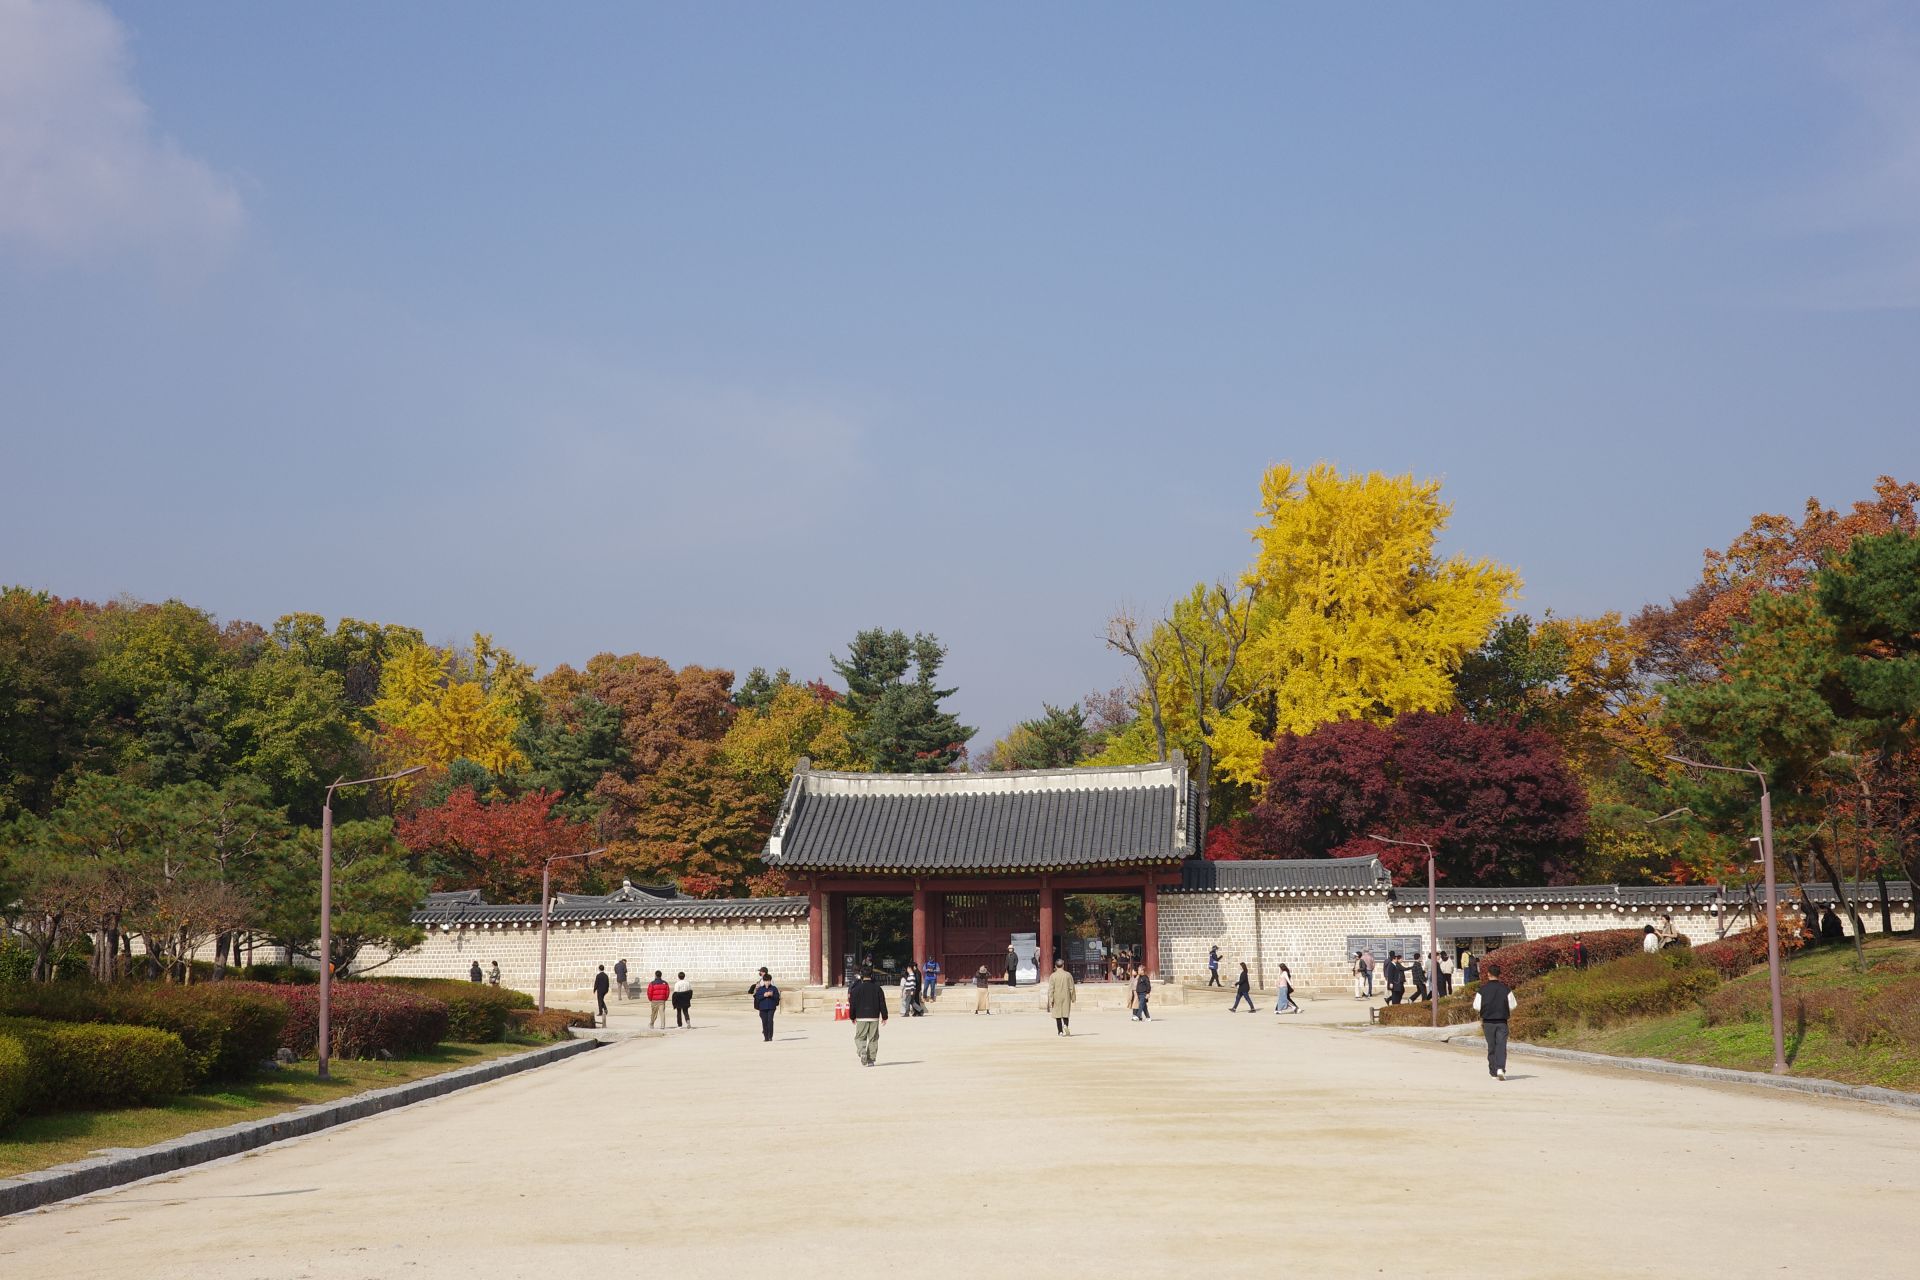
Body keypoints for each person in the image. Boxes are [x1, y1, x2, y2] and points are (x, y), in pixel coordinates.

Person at [1472, 963, 1518, 1081]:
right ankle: (1500, 1068)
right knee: (1501, 1045)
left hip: (1488, 1022)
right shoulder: (1506, 989)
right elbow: (1513, 1005)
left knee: (1491, 1046)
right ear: (1499, 975)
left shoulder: (1482, 990)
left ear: (1488, 974)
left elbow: (1476, 1006)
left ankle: (1493, 1072)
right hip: (1502, 1021)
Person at [846, 968, 889, 1067]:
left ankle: (862, 1051)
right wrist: (884, 1016)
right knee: (873, 1038)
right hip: (874, 1016)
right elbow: (882, 1003)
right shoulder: (878, 988)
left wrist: (852, 1016)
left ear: (861, 976)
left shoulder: (856, 989)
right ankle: (871, 1060)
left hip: (861, 1017)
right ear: (872, 976)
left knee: (860, 1037)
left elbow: (852, 1004)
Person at [749, 967, 780, 1041]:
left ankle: (770, 1036)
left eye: (768, 981)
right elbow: (757, 997)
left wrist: (772, 995)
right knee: (764, 1021)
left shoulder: (774, 988)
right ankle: (766, 1037)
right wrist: (764, 995)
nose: (767, 982)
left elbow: (777, 997)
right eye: (766, 981)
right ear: (764, 981)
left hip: (771, 1007)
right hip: (762, 1007)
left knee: (770, 1021)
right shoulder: (761, 989)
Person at [1046, 958, 1076, 1035]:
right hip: (1066, 996)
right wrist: (1073, 998)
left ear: (1055, 966)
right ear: (1063, 965)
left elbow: (1051, 989)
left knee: (1058, 1014)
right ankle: (1065, 1025)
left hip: (1057, 996)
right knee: (1065, 1013)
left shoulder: (1053, 976)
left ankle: (1060, 1031)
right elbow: (1072, 987)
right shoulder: (1068, 975)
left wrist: (1051, 999)